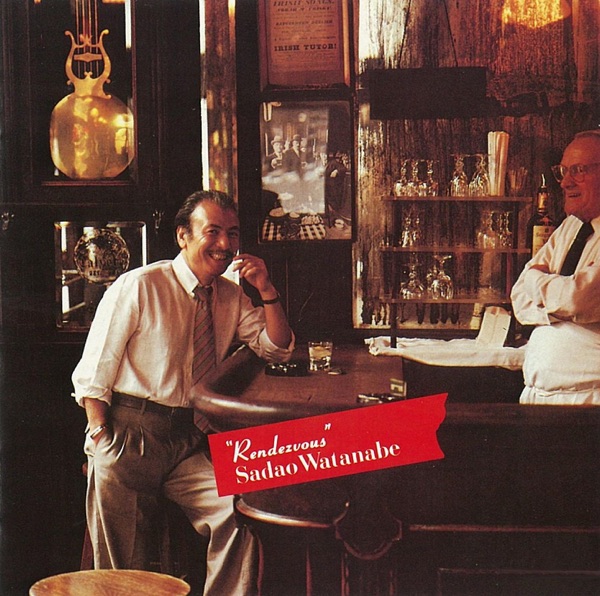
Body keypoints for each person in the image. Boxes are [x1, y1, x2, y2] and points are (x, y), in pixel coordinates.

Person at [72, 190, 295, 594]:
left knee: (240, 513)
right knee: (123, 568)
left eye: (232, 233)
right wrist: (101, 439)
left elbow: (276, 348)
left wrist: (266, 289)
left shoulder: (230, 295)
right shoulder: (140, 285)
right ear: (183, 236)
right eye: (213, 231)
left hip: (188, 440)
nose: (225, 243)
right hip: (129, 435)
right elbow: (94, 372)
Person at [511, 129, 600, 405]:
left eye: (578, 170)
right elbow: (519, 298)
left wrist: (537, 282)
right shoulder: (570, 228)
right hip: (541, 398)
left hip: (590, 402)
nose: (565, 182)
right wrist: (563, 308)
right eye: (563, 171)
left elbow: (577, 298)